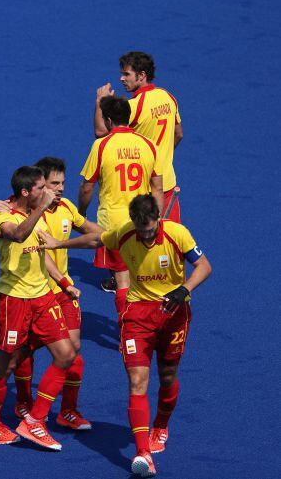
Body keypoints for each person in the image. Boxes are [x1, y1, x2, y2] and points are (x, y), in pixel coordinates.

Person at [37, 194, 211, 477]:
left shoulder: (177, 233)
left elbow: (204, 266)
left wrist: (185, 289)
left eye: (150, 229)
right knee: (137, 381)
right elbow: (96, 240)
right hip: (137, 317)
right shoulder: (125, 233)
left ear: (158, 218)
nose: (145, 236)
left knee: (167, 377)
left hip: (174, 313)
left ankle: (161, 426)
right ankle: (142, 453)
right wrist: (59, 243)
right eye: (141, 230)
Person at [0, 157, 103, 431]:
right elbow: (31, 247)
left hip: (59, 292)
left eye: (62, 183)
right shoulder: (27, 213)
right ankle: (22, 402)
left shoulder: (65, 208)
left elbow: (98, 235)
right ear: (36, 189)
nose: (60, 189)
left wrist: (129, 233)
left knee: (72, 351)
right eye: (53, 184)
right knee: (21, 354)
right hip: (31, 294)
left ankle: (65, 411)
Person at [0, 166, 79, 451]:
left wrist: (62, 282)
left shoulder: (38, 212)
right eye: (41, 188)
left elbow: (40, 251)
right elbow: (19, 235)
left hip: (42, 297)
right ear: (25, 192)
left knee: (66, 354)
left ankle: (34, 421)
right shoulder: (2, 216)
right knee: (7, 365)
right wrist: (42, 209)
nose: (48, 192)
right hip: (13, 301)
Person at [79, 95, 164, 314]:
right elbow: (157, 188)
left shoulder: (102, 145)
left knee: (122, 280)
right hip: (144, 218)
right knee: (146, 276)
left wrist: (81, 213)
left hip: (115, 222)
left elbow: (87, 187)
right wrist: (157, 219)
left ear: (108, 121)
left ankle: (128, 329)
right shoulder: (148, 145)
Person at [94, 51, 183, 222]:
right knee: (168, 242)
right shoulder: (168, 97)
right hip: (168, 185)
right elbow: (178, 134)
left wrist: (100, 102)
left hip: (144, 191)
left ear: (141, 75)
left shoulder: (134, 106)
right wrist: (162, 156)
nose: (122, 79)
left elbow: (100, 132)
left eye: (126, 74)